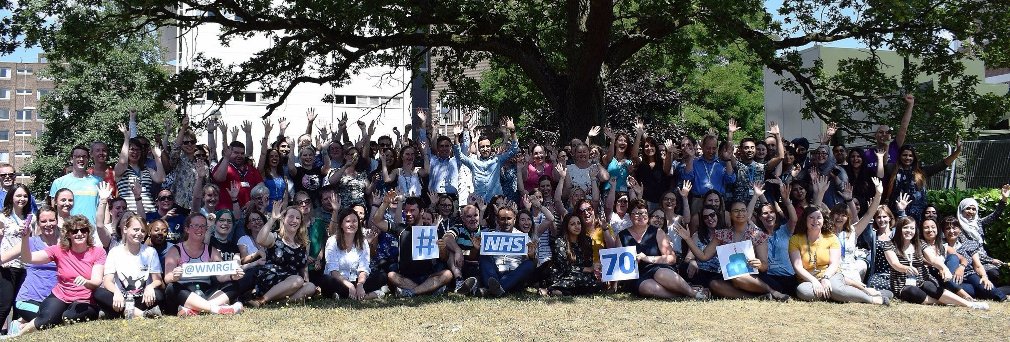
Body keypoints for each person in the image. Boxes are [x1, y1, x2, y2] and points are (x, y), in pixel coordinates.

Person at [676, 184, 789, 300]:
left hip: (757, 279)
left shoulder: (758, 235)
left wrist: (759, 264)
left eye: (743, 210)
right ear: (730, 214)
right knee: (714, 284)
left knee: (736, 276)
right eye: (736, 211)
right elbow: (704, 256)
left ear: (747, 213)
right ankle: (755, 298)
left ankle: (773, 292)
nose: (740, 213)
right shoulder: (722, 234)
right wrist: (688, 239)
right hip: (732, 278)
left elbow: (764, 266)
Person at [11, 215, 105, 337]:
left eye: (84, 230)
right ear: (68, 235)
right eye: (74, 231)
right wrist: (25, 237)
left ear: (88, 232)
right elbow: (27, 258)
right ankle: (17, 335)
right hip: (60, 296)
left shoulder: (97, 252)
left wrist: (86, 282)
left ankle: (98, 313)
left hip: (84, 299)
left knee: (69, 318)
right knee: (46, 318)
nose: (80, 233)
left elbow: (97, 281)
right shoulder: (58, 250)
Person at [788, 205, 888, 304]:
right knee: (803, 291)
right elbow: (798, 267)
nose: (815, 221)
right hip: (808, 279)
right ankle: (837, 294)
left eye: (819, 217)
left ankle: (872, 299)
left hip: (830, 275)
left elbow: (834, 264)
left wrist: (826, 278)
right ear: (805, 219)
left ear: (824, 220)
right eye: (811, 217)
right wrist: (814, 281)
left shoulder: (831, 238)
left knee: (836, 289)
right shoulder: (795, 239)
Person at [882, 217, 987, 309]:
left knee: (929, 286)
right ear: (899, 229)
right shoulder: (889, 245)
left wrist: (944, 268)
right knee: (912, 291)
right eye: (906, 227)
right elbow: (895, 264)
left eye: (912, 228)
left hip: (921, 280)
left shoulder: (919, 243)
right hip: (902, 285)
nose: (909, 231)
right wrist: (905, 268)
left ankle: (969, 304)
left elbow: (933, 258)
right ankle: (945, 302)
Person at [162, 214, 244, 316]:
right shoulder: (175, 250)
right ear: (187, 229)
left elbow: (221, 276)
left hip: (206, 293)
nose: (200, 229)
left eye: (203, 226)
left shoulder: (211, 251)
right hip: (185, 293)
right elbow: (167, 278)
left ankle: (196, 310)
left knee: (233, 285)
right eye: (196, 226)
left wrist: (233, 276)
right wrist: (174, 276)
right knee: (171, 288)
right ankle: (216, 309)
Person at [621, 200, 704, 299]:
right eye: (637, 213)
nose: (641, 216)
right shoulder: (622, 235)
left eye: (644, 213)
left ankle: (694, 294)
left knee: (661, 273)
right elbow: (618, 262)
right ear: (630, 216)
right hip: (638, 274)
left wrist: (647, 258)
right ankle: (682, 295)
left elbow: (671, 258)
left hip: (658, 267)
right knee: (646, 288)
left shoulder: (658, 232)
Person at [375, 195, 451, 297]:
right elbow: (377, 221)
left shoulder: (432, 231)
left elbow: (444, 258)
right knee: (391, 275)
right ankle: (427, 291)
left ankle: (413, 292)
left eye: (412, 210)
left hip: (427, 277)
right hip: (406, 278)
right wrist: (384, 203)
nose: (408, 214)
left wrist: (442, 248)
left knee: (448, 274)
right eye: (406, 211)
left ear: (422, 211)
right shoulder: (400, 229)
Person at [94, 213, 165, 318]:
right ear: (126, 229)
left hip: (143, 297)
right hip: (121, 297)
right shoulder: (115, 252)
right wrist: (116, 292)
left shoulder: (150, 252)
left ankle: (114, 311)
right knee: (98, 293)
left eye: (143, 231)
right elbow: (107, 280)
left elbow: (158, 280)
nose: (139, 234)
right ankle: (142, 314)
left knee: (158, 294)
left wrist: (150, 286)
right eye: (135, 230)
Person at [248, 203, 317, 306]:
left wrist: (306, 282)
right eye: (291, 217)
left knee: (310, 286)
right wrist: (272, 219)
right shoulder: (275, 237)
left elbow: (303, 267)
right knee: (297, 280)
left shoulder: (303, 243)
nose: (294, 220)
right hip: (271, 278)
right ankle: (261, 299)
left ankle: (278, 303)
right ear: (283, 219)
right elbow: (260, 240)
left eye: (298, 218)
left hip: (292, 283)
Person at [8, 207, 59, 336]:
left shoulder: (64, 244)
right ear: (38, 224)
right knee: (50, 318)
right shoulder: (30, 242)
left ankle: (22, 324)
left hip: (52, 300)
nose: (48, 224)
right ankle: (18, 328)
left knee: (61, 317)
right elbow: (3, 258)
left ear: (57, 221)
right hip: (28, 299)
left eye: (52, 220)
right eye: (43, 221)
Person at [884, 143, 961, 221]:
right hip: (897, 212)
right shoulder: (892, 169)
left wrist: (958, 151)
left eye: (910, 155)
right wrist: (886, 146)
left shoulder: (921, 171)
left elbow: (942, 165)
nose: (907, 158)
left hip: (918, 214)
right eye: (904, 155)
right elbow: (883, 165)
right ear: (899, 156)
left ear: (914, 158)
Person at [474, 206, 537, 297]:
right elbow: (478, 259)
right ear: (498, 220)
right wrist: (477, 249)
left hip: (513, 274)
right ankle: (498, 288)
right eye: (503, 219)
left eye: (509, 219)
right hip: (494, 274)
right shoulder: (490, 236)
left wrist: (531, 255)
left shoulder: (524, 237)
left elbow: (532, 259)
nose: (506, 222)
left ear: (514, 220)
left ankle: (491, 290)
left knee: (530, 264)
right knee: (483, 256)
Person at [324, 209, 384, 300]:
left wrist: (360, 285)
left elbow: (364, 268)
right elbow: (333, 271)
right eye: (348, 221)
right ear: (341, 224)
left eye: (354, 221)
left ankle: (344, 295)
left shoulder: (363, 242)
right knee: (326, 280)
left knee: (382, 276)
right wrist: (350, 286)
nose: (351, 224)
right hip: (339, 280)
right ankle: (370, 295)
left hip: (356, 279)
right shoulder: (332, 241)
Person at [454, 117, 519, 202]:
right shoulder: (473, 162)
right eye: (482, 147)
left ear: (490, 147)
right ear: (479, 148)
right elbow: (459, 156)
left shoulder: (497, 160)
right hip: (480, 202)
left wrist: (513, 131)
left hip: (496, 201)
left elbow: (514, 149)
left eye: (487, 146)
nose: (485, 149)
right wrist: (456, 136)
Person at [942, 216, 1007, 301]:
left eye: (954, 228)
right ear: (943, 231)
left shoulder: (969, 244)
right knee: (974, 291)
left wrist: (984, 277)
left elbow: (977, 265)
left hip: (970, 275)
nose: (951, 231)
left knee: (986, 287)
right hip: (953, 279)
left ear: (960, 229)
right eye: (948, 228)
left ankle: (1000, 295)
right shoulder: (940, 245)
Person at [0, 184, 34, 329]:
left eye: (25, 196)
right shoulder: (2, 217)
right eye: (18, 196)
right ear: (11, 197)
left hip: (25, 267)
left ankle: (13, 333)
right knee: (5, 304)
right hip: (6, 266)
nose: (22, 199)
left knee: (19, 304)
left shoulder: (31, 218)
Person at [114, 122, 166, 214]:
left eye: (138, 150)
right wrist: (126, 139)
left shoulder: (147, 169)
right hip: (129, 214)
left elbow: (161, 179)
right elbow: (123, 162)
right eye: (132, 149)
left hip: (150, 213)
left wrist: (157, 157)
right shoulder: (121, 169)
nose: (135, 152)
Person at [547, 213, 603, 296]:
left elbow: (589, 263)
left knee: (598, 284)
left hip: (582, 275)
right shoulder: (559, 242)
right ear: (566, 227)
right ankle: (553, 289)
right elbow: (565, 267)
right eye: (572, 224)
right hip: (563, 275)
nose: (577, 226)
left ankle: (562, 292)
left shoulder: (587, 240)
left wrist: (595, 270)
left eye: (579, 223)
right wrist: (589, 269)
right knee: (582, 280)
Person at [49, 146, 102, 224]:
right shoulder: (58, 182)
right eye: (77, 156)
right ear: (71, 159)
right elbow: (53, 211)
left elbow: (104, 208)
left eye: (84, 157)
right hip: (67, 230)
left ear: (88, 159)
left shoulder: (98, 182)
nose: (81, 159)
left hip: (92, 231)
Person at [211, 141, 264, 210]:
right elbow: (219, 178)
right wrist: (226, 157)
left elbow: (262, 188)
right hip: (227, 214)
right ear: (229, 153)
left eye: (242, 153)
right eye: (236, 153)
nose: (239, 156)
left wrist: (254, 201)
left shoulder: (251, 169)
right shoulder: (223, 166)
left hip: (249, 213)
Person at [442, 205, 482, 295]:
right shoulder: (458, 228)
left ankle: (472, 287)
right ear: (463, 218)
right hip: (460, 266)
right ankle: (459, 281)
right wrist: (457, 250)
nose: (473, 219)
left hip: (477, 267)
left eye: (475, 215)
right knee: (451, 251)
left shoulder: (486, 230)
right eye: (469, 216)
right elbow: (446, 237)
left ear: (479, 216)